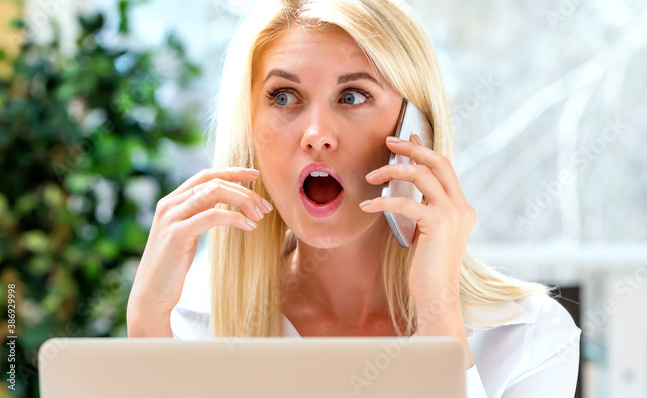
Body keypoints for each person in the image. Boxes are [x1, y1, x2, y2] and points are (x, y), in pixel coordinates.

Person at [125, 0, 581, 396]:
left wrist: (438, 313)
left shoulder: (528, 337)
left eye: (352, 95)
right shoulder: (191, 330)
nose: (316, 135)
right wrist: (146, 326)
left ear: (414, 130)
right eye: (283, 97)